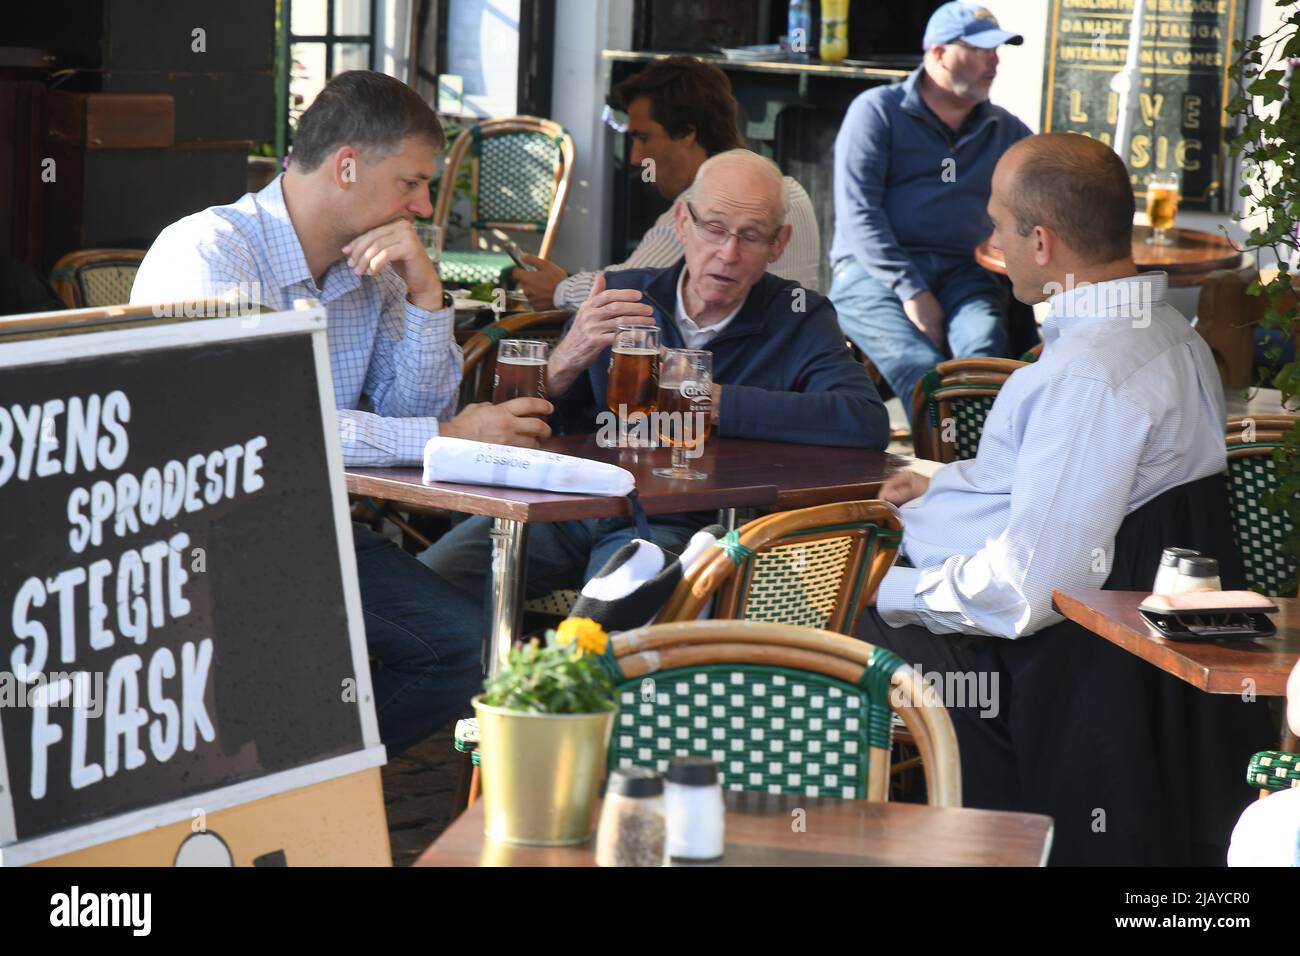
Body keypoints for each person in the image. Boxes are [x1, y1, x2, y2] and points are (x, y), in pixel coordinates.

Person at [855, 131, 1273, 864]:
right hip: (1142, 683)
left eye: (998, 225)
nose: (992, 242)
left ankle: (949, 846)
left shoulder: (1085, 376)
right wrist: (937, 486)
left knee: (834, 625)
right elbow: (1068, 503)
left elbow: (1028, 590)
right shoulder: (1172, 334)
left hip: (1082, 687)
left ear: (1042, 243)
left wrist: (890, 590)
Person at [131, 71, 548, 756]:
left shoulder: (375, 274)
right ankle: (278, 785)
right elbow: (262, 434)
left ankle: (313, 779)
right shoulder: (211, 253)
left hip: (308, 533)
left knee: (468, 648)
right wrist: (446, 435)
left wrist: (425, 290)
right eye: (411, 183)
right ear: (348, 165)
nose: (422, 205)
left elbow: (413, 414)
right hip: (188, 546)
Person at [420, 150, 888, 615]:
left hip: (675, 521)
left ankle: (565, 684)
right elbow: (529, 426)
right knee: (426, 589)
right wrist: (564, 361)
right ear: (684, 223)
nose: (728, 253)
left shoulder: (798, 316)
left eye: (750, 236)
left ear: (778, 245)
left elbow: (863, 421)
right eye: (715, 229)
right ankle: (484, 687)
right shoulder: (623, 293)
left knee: (601, 630)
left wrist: (711, 400)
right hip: (567, 505)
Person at [829, 2, 1030, 407]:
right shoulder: (876, 111)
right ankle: (946, 464)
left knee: (984, 357)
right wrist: (913, 291)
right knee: (919, 368)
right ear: (937, 53)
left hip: (965, 272)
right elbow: (859, 215)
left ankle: (975, 465)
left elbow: (1049, 187)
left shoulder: (1005, 129)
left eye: (997, 50)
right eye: (980, 49)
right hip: (872, 273)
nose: (993, 61)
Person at [513, 56, 821, 310]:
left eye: (643, 138)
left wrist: (558, 290)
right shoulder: (790, 190)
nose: (635, 158)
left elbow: (633, 291)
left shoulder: (705, 209)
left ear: (687, 133)